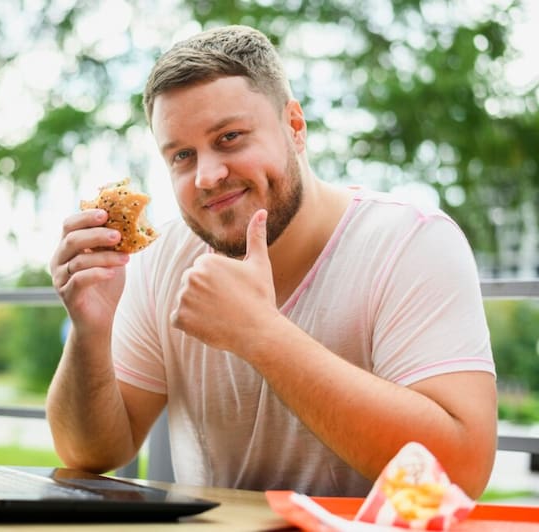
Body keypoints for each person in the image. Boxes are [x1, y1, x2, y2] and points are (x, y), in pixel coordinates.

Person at [46, 25, 497, 498]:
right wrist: (89, 332)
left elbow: (459, 471)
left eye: (230, 137)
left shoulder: (411, 241)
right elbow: (90, 453)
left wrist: (261, 335)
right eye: (182, 155)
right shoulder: (164, 260)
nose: (207, 175)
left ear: (295, 127)